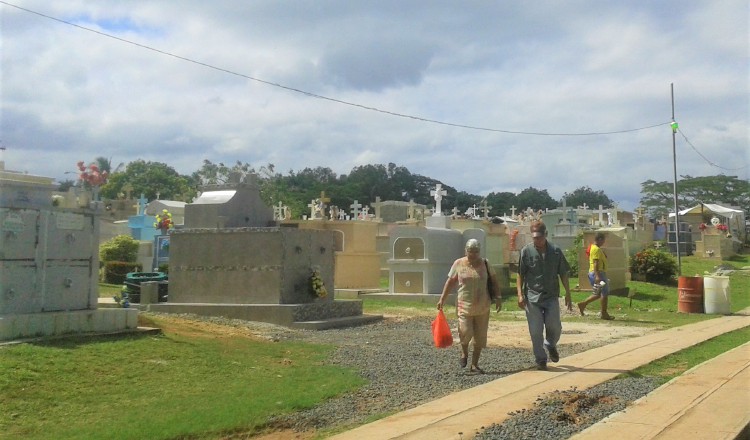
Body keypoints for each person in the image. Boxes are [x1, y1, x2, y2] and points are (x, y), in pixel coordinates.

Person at [437, 238, 501, 374]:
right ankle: (464, 353)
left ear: (479, 251)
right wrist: (442, 299)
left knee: (480, 337)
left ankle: (474, 364)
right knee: (465, 332)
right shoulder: (458, 264)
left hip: (483, 306)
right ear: (466, 251)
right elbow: (450, 282)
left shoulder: (486, 264)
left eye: (476, 251)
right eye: (470, 251)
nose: (473, 254)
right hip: (464, 306)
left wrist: (498, 297)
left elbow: (494, 281)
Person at [516, 221, 572, 370]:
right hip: (532, 297)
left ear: (545, 235)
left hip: (551, 295)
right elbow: (520, 274)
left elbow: (563, 274)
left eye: (539, 237)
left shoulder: (555, 251)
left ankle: (551, 343)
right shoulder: (526, 251)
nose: (537, 240)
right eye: (534, 238)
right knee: (535, 331)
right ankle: (540, 359)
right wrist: (520, 294)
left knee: (555, 326)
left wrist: (568, 293)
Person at [577, 232, 614, 320]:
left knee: (598, 293)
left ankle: (583, 304)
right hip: (598, 273)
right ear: (600, 239)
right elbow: (595, 263)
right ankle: (604, 313)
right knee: (604, 293)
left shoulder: (594, 248)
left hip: (595, 273)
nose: (604, 242)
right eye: (603, 240)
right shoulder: (596, 249)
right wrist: (597, 276)